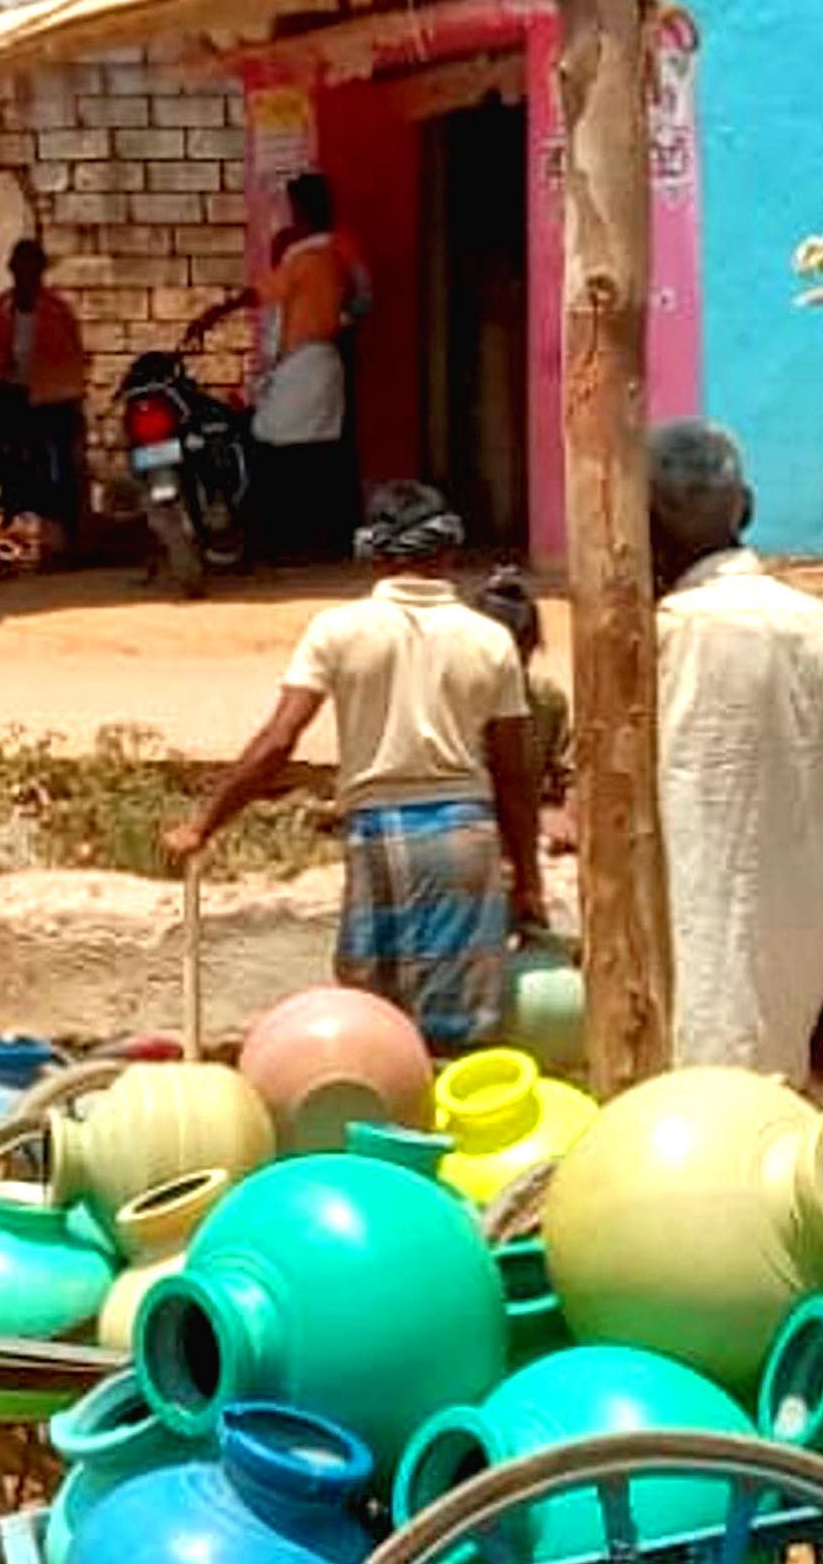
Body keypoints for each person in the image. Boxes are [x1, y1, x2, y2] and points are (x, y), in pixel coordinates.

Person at [168, 481, 548, 1054]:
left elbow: (278, 742)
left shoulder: (336, 630)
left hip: (380, 834)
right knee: (464, 1028)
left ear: (373, 553)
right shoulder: (491, 640)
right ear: (448, 550)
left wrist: (204, 823)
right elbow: (515, 777)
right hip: (466, 835)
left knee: (374, 1025)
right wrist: (529, 881)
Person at [643, 421, 823, 1084]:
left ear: (641, 528)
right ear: (748, 507)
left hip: (685, 1010)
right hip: (810, 993)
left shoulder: (654, 642)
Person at [248, 172, 365, 566]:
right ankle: (322, 535)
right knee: (322, 451)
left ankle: (299, 536)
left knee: (283, 448)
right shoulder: (328, 249)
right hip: (319, 356)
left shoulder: (316, 253)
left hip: (311, 357)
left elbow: (363, 296)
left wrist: (336, 321)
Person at [0, 234, 90, 541]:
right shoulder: (1, 307)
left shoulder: (56, 309)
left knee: (61, 466)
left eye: (30, 268)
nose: (24, 274)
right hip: (16, 397)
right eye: (19, 268)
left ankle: (67, 530)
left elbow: (72, 354)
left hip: (55, 398)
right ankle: (17, 514)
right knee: (11, 458)